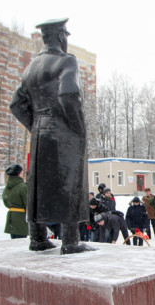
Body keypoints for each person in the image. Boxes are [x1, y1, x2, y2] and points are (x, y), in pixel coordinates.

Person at [9, 18, 93, 255]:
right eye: (66, 35)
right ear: (60, 36)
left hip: (39, 133)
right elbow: (69, 94)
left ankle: (37, 238)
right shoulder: (66, 61)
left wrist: (36, 125)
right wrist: (76, 128)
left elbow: (16, 104)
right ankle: (71, 241)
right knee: (69, 181)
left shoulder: (31, 67)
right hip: (63, 130)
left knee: (38, 183)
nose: (66, 40)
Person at [2, 164, 28, 239]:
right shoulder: (22, 187)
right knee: (21, 241)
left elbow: (6, 202)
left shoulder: (7, 187)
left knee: (14, 241)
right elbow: (27, 203)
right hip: (21, 218)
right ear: (19, 174)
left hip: (11, 217)